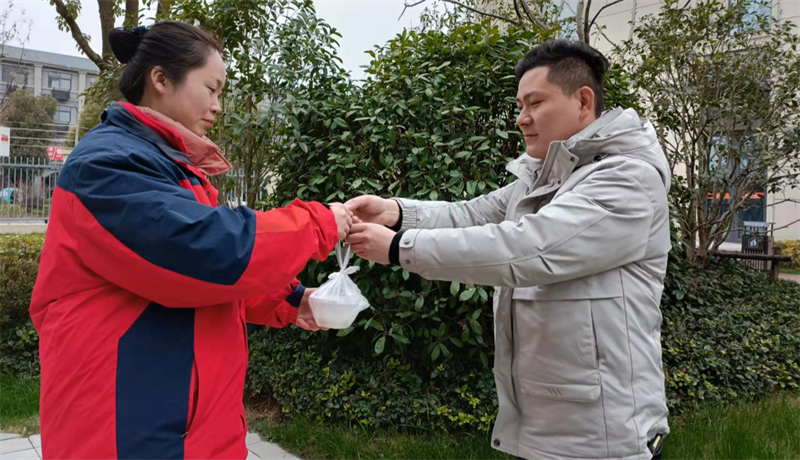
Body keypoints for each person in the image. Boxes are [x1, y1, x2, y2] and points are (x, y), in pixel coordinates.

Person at [29, 22, 352, 460]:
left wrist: (293, 301)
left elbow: (205, 282)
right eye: (211, 89)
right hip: (125, 430)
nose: (218, 105)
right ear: (161, 79)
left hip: (189, 429)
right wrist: (319, 223)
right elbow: (206, 253)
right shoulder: (108, 166)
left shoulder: (172, 167)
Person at [345, 39, 670, 460]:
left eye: (535, 103)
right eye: (519, 106)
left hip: (606, 439)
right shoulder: (545, 178)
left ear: (583, 101)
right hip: (547, 432)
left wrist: (398, 248)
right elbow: (472, 214)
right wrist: (396, 212)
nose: (521, 118)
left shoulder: (627, 180)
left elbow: (528, 247)